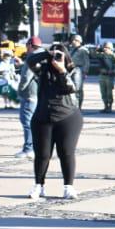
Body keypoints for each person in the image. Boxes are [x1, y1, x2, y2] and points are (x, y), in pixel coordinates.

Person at [25, 42, 84, 200]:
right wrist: (47, 54)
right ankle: (39, 186)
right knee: (42, 154)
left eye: (59, 55)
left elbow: (72, 88)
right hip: (43, 117)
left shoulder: (74, 71)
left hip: (68, 117)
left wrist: (62, 70)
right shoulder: (43, 70)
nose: (56, 58)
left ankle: (68, 187)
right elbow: (29, 61)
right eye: (54, 55)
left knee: (66, 153)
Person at [13, 36, 40, 159]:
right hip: (36, 94)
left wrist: (19, 90)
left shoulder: (32, 57)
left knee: (27, 122)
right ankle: (34, 147)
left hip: (29, 94)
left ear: (30, 45)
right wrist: (22, 65)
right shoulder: (41, 57)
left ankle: (29, 149)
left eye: (26, 46)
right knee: (32, 122)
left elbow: (26, 77)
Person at [96, 42, 115, 112]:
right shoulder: (101, 55)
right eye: (104, 47)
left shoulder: (113, 56)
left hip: (109, 76)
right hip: (101, 76)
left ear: (110, 48)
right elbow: (93, 54)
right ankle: (105, 106)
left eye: (107, 47)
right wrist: (97, 49)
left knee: (109, 92)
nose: (105, 49)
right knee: (103, 92)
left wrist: (113, 71)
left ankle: (110, 107)